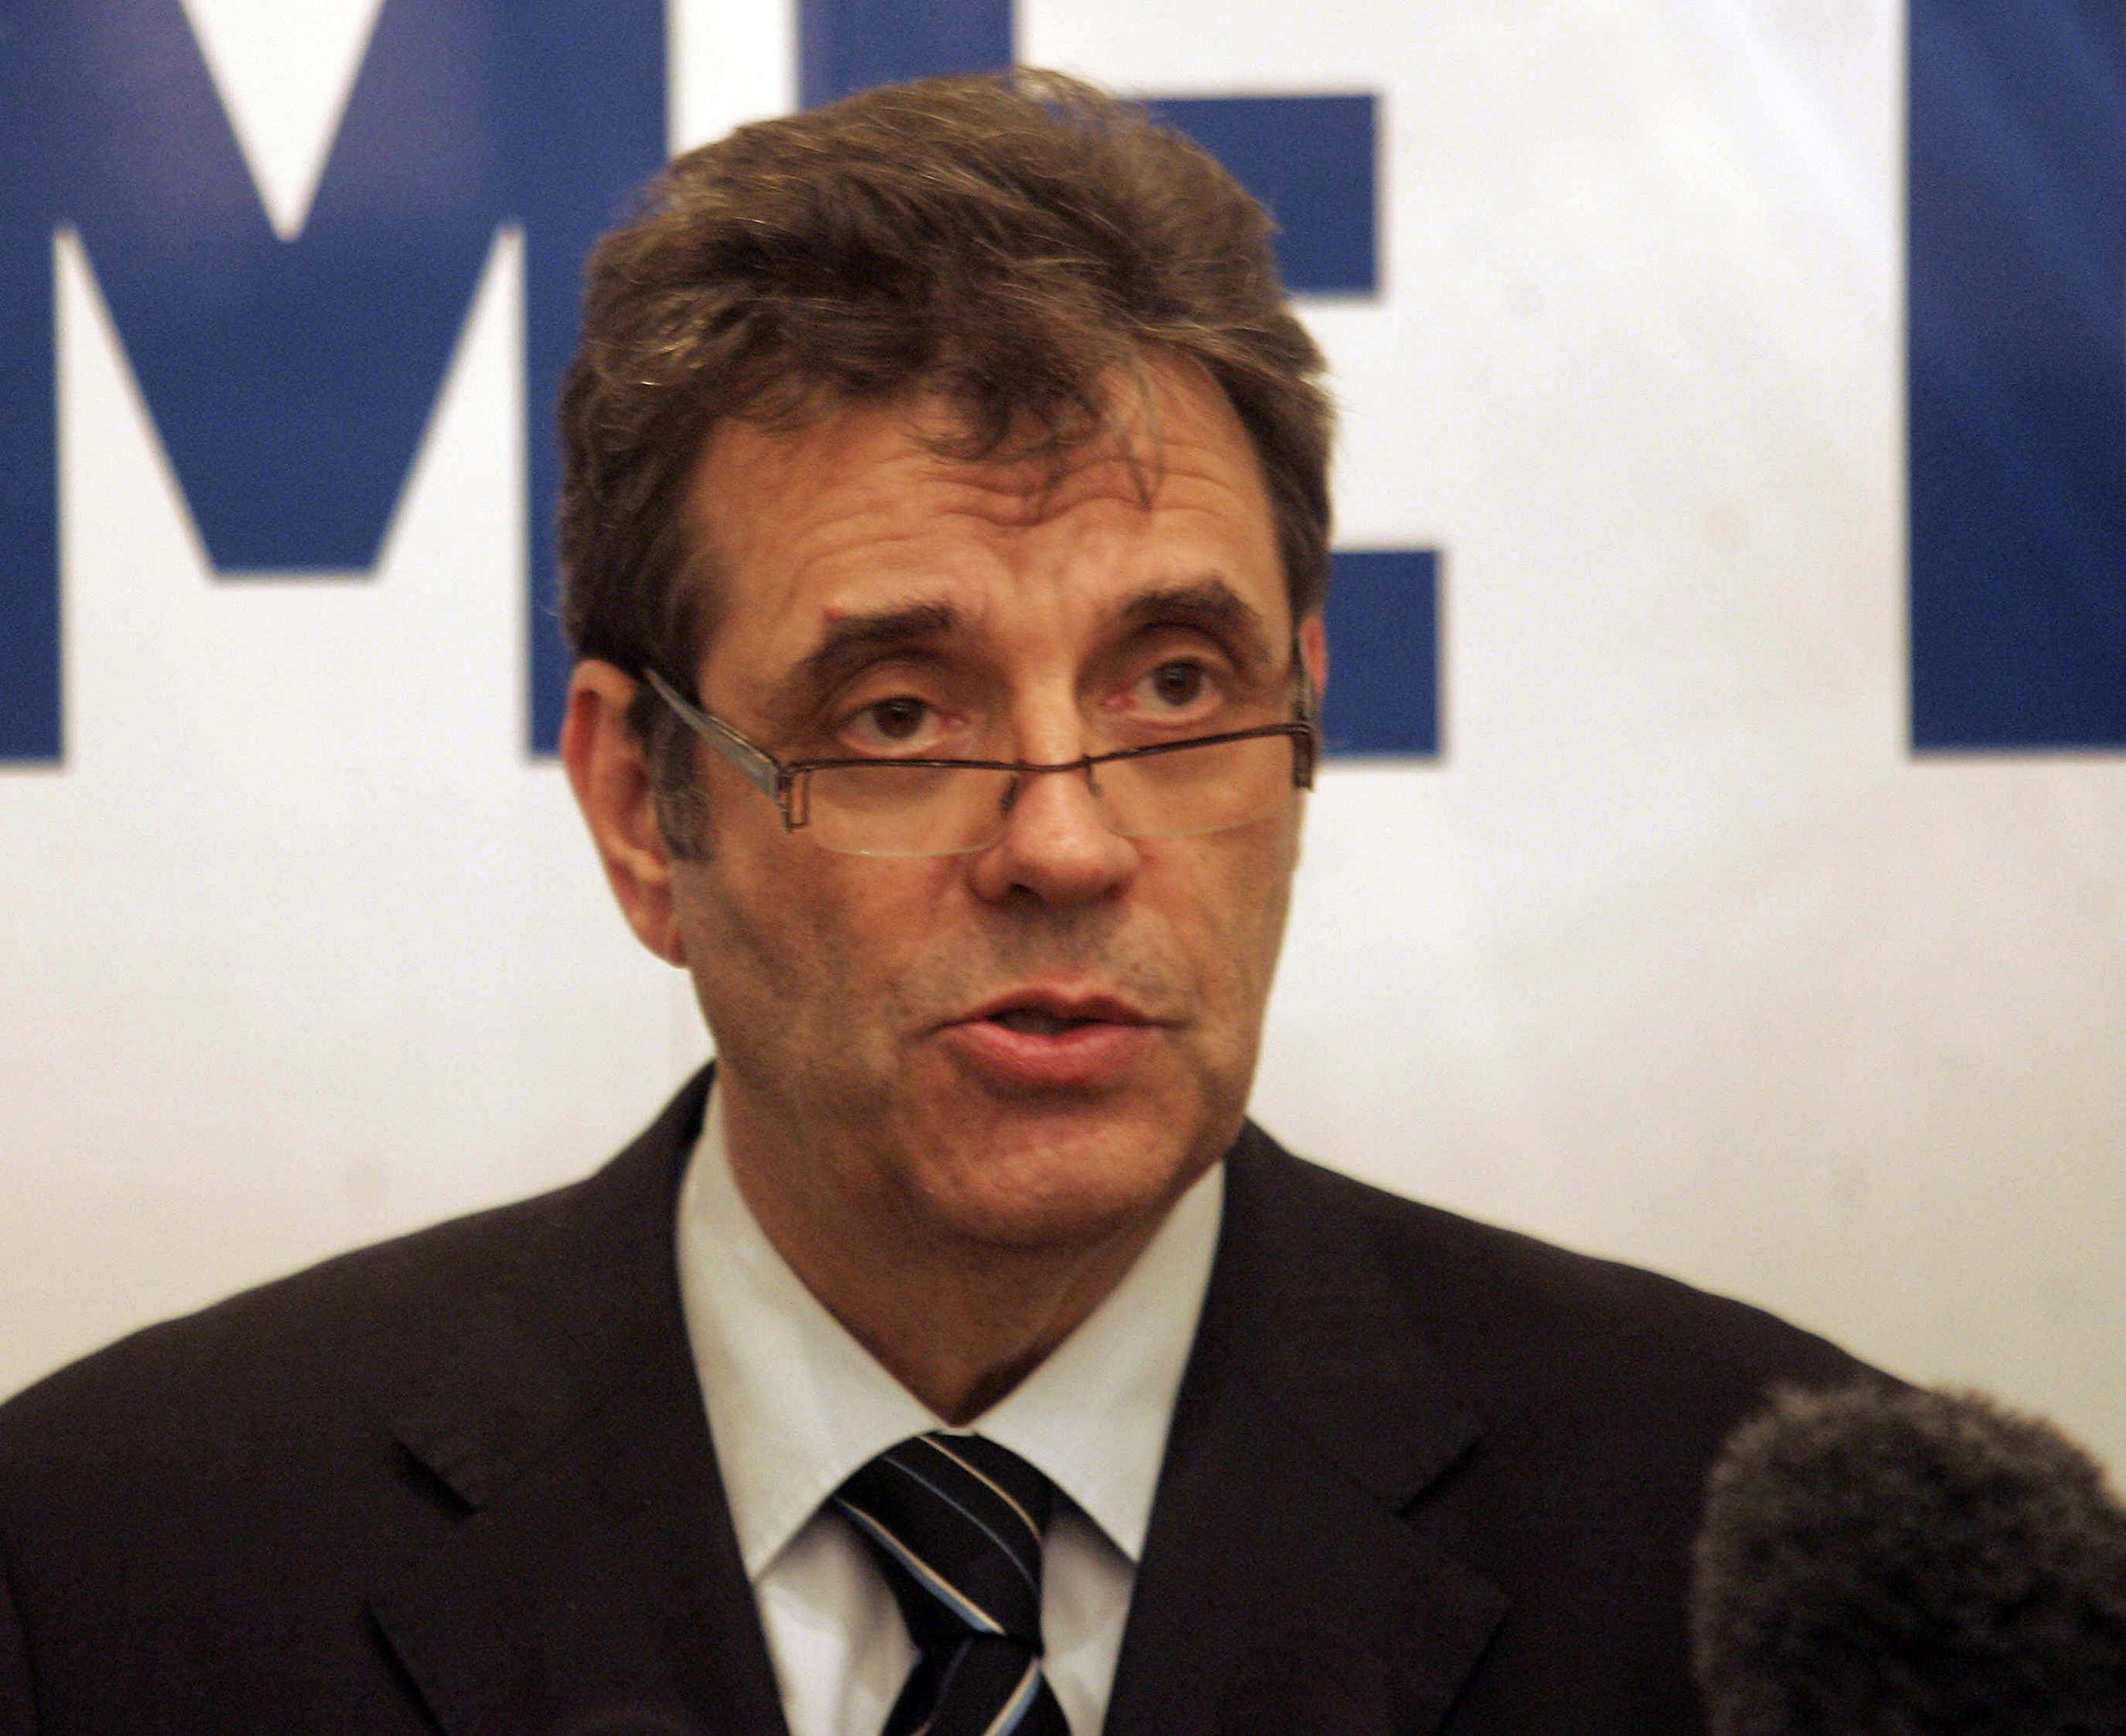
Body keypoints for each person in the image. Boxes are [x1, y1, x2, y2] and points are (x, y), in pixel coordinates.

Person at [0, 71, 1871, 1735]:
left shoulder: (1747, 1552)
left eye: (1173, 687)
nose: (1066, 843)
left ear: (1301, 710)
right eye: (897, 713)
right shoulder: (115, 1569)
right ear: (642, 806)